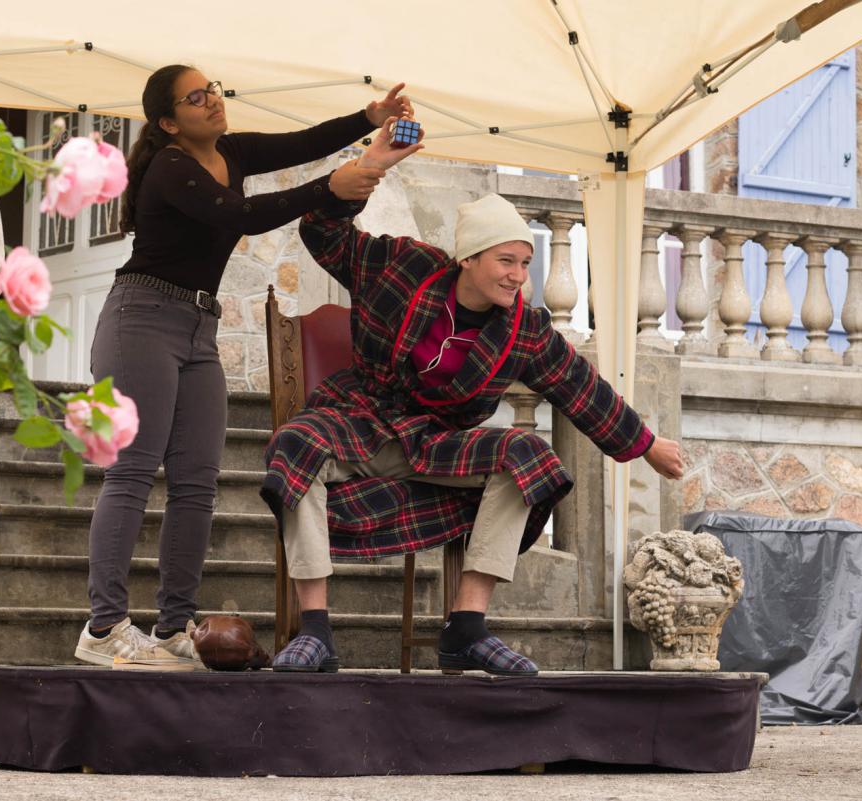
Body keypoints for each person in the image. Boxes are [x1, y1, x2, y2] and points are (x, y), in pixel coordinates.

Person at [261, 118, 684, 676]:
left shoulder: (525, 329)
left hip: (439, 445)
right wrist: (370, 167)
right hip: (360, 420)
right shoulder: (402, 266)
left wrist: (647, 444)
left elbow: (581, 388)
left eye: (525, 264)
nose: (517, 276)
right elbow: (323, 234)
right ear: (469, 258)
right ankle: (315, 632)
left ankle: (467, 628)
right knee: (295, 442)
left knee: (530, 456)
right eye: (506, 261)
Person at [73, 64, 412, 668]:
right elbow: (243, 216)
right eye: (195, 97)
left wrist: (369, 119)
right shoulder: (171, 167)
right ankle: (103, 628)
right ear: (169, 121)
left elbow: (299, 143)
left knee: (198, 483)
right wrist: (330, 187)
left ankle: (174, 625)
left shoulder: (230, 151)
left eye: (215, 89)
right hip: (141, 318)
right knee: (132, 473)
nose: (213, 101)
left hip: (199, 325)